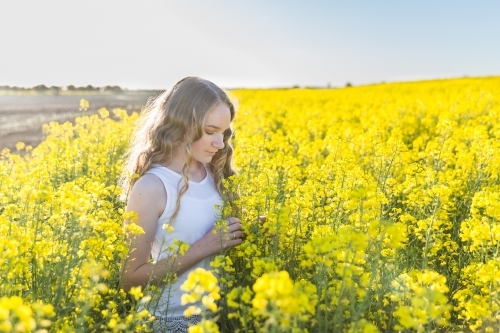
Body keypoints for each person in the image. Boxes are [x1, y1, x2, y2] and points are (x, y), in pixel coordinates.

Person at [119, 77, 243, 332]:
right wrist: (204, 247)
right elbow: (131, 279)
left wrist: (248, 232)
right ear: (182, 125)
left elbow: (215, 236)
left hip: (214, 317)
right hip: (169, 322)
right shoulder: (152, 187)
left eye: (223, 133)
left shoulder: (214, 173)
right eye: (210, 132)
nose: (220, 144)